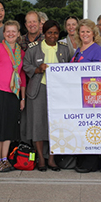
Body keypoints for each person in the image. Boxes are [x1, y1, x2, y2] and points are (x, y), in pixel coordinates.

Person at [22, 20, 70, 171]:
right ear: (44, 33)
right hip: (38, 90)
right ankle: (41, 159)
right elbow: (25, 65)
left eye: (55, 33)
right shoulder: (34, 48)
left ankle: (52, 159)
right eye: (50, 32)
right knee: (38, 124)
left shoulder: (64, 48)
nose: (52, 36)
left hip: (58, 92)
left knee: (56, 125)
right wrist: (37, 69)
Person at [0, 20, 26, 172]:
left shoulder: (20, 53)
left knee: (8, 128)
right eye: (8, 31)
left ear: (19, 34)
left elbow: (22, 76)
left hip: (13, 94)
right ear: (4, 33)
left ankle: (4, 158)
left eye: (14, 31)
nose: (11, 34)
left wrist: (22, 97)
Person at [70, 19, 101, 173]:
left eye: (87, 31)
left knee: (91, 127)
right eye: (82, 31)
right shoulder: (79, 49)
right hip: (77, 96)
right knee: (81, 127)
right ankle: (82, 157)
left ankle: (92, 161)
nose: (84, 34)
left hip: (91, 96)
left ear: (94, 33)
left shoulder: (97, 50)